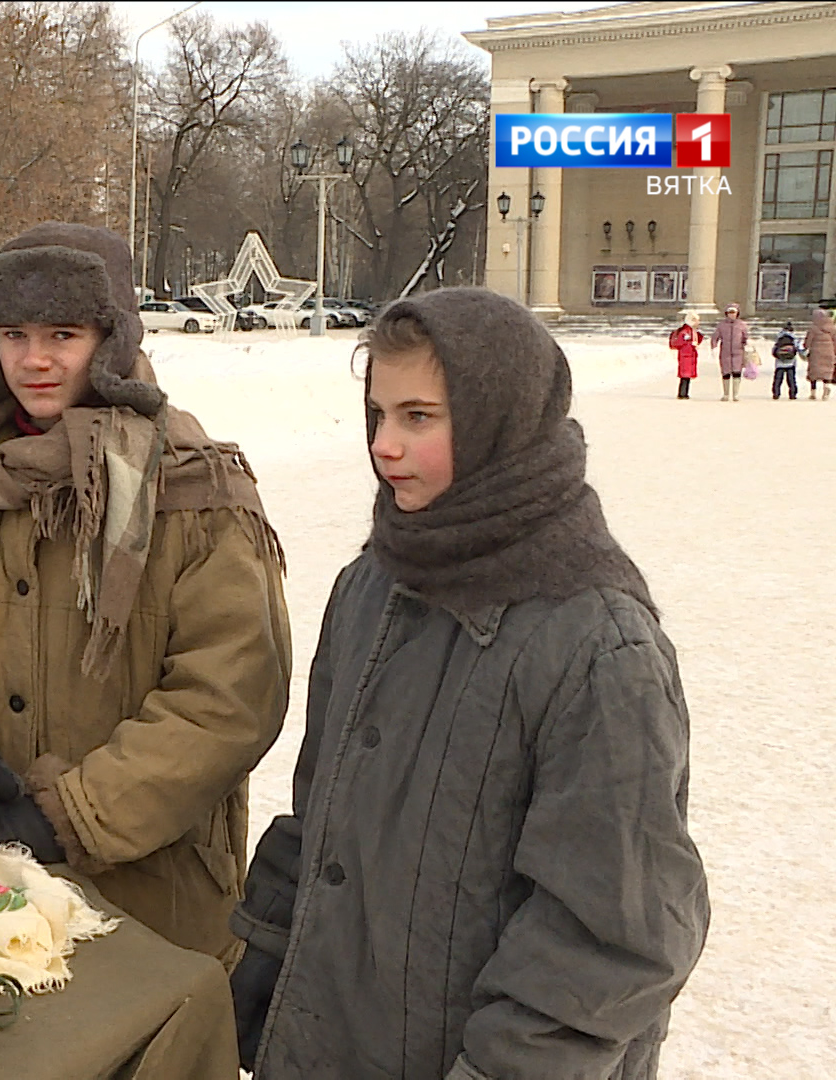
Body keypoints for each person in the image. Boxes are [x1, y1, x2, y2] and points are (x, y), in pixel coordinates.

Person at [229, 289, 709, 1080]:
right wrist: (266, 956)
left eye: (419, 417)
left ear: (501, 423)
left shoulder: (597, 644)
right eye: (377, 413)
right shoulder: (370, 586)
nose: (385, 445)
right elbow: (322, 812)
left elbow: (612, 937)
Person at [0, 222, 292, 961]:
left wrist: (72, 816)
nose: (35, 359)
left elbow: (230, 700)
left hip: (151, 908)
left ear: (113, 340)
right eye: (13, 333)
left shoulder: (196, 489)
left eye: (64, 333)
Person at [711, 302, 749, 401]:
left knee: (737, 372)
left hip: (738, 352)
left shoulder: (742, 325)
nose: (732, 314)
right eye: (730, 312)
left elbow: (746, 337)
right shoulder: (721, 325)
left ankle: (735, 394)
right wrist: (714, 347)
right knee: (726, 373)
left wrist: (747, 344)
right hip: (725, 353)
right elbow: (715, 338)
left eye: (734, 312)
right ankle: (726, 394)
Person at [667, 313, 701, 399]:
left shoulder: (691, 331)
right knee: (685, 376)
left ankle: (684, 392)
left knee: (687, 376)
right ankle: (682, 393)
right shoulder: (686, 331)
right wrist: (689, 342)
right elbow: (680, 342)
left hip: (689, 356)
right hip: (686, 356)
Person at [805, 307, 835, 400]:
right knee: (827, 372)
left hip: (816, 353)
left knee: (814, 373)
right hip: (829, 352)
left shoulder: (813, 328)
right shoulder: (832, 328)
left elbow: (808, 341)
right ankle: (826, 390)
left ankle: (813, 393)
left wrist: (805, 347)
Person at [771, 321, 800, 400]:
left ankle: (776, 394)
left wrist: (777, 356)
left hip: (779, 362)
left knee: (778, 379)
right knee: (791, 379)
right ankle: (792, 394)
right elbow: (798, 348)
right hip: (791, 362)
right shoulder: (794, 338)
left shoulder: (779, 337)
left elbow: (774, 350)